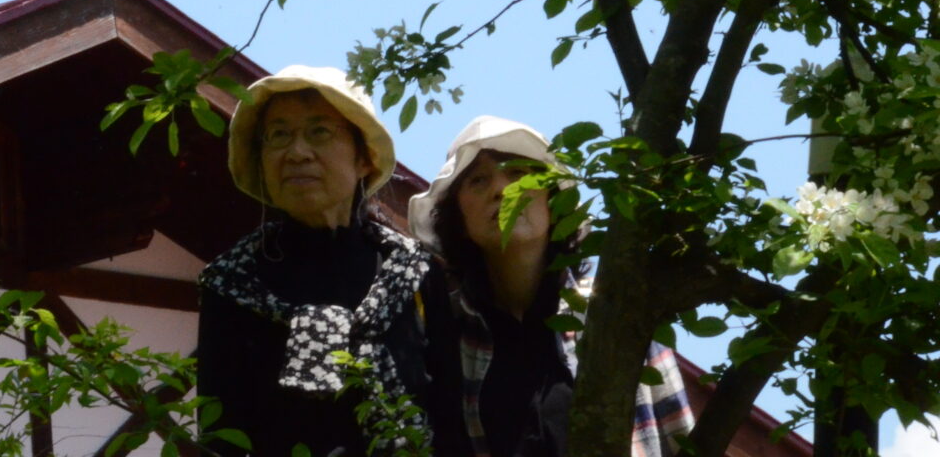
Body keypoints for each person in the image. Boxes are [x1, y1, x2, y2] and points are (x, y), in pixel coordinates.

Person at [407, 116, 693, 457]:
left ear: (553, 199)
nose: (501, 189)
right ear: (459, 220)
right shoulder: (444, 333)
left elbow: (682, 438)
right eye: (479, 180)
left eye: (517, 172)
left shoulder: (617, 313)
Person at [196, 65, 444, 457]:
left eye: (319, 132)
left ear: (364, 159)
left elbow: (452, 414)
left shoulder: (414, 273)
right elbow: (219, 437)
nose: (297, 153)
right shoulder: (232, 284)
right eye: (279, 135)